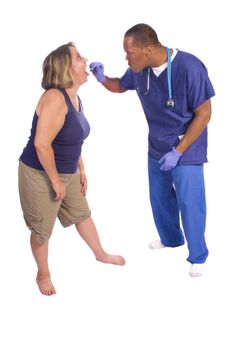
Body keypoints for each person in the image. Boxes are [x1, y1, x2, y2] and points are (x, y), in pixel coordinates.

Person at [89, 23, 215, 277]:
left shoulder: (189, 67)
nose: (127, 58)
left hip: (186, 149)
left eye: (130, 53)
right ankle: (171, 240)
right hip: (157, 146)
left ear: (147, 49)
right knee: (160, 200)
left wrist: (178, 151)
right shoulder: (140, 69)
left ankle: (198, 255)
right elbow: (120, 86)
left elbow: (205, 114)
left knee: (190, 203)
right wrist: (102, 79)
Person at [18, 42, 125, 296]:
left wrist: (82, 169)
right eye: (78, 58)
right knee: (42, 230)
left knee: (82, 214)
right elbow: (42, 145)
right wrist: (56, 182)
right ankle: (42, 274)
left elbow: (72, 139)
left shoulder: (75, 97)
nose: (85, 60)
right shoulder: (55, 98)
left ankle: (100, 254)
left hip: (67, 171)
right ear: (66, 68)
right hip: (39, 173)